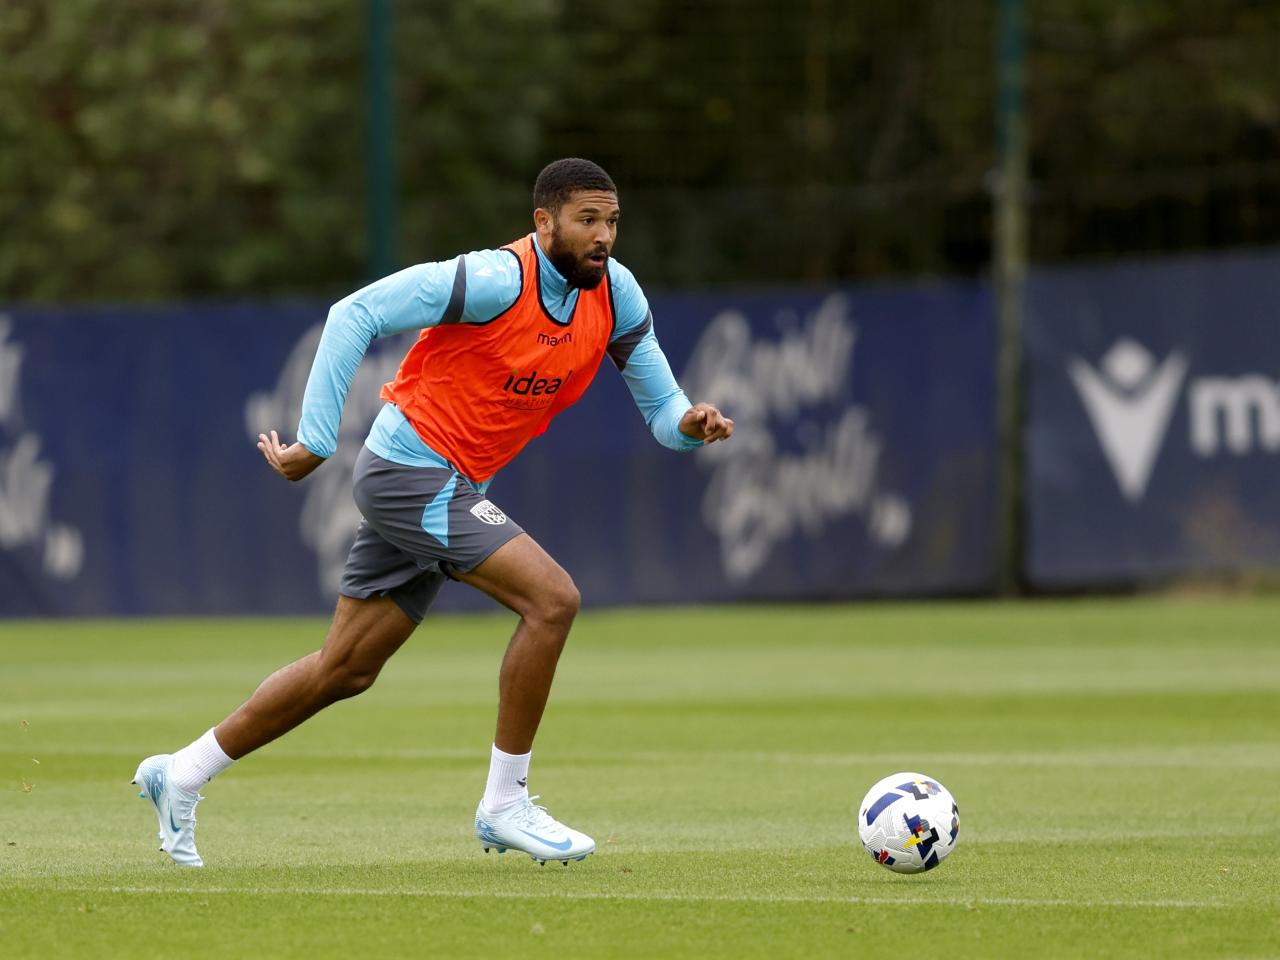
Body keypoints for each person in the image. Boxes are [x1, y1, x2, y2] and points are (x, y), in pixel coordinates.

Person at [132, 158, 733, 868]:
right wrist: (316, 441)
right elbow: (353, 313)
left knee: (345, 669)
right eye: (587, 220)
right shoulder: (492, 279)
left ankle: (184, 772)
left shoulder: (617, 295)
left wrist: (691, 426)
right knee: (553, 600)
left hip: (444, 482)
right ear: (543, 223)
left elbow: (664, 411)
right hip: (404, 474)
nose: (603, 236)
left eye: (611, 221)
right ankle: (505, 804)